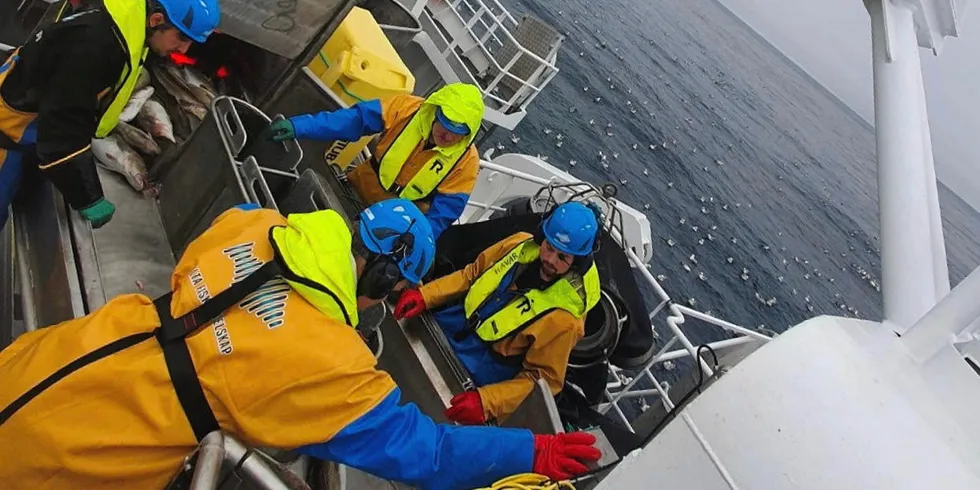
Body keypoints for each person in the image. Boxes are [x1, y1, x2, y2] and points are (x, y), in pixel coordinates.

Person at [0, 198, 601, 490]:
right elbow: (431, 453)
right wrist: (528, 453)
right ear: (384, 282)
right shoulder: (332, 369)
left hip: (45, 361)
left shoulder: (254, 223)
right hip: (75, 457)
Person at [0, 0, 220, 229]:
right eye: (182, 38)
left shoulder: (129, 17)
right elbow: (61, 129)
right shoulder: (95, 46)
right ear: (156, 20)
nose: (184, 50)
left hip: (33, 120)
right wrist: (88, 197)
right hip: (9, 132)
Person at [394, 201, 602, 424]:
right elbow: (472, 274)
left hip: (483, 367)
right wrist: (426, 295)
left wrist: (486, 402)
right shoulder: (518, 243)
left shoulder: (566, 319)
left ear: (577, 263)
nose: (550, 260)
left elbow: (542, 379)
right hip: (453, 322)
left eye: (563, 257)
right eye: (549, 247)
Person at [264, 83, 484, 239]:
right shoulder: (406, 109)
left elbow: (440, 217)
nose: (447, 136)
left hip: (389, 227)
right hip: (353, 190)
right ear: (434, 112)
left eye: (457, 133)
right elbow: (354, 121)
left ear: (468, 134)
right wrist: (300, 126)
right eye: (444, 125)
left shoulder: (467, 163)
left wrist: (412, 243)